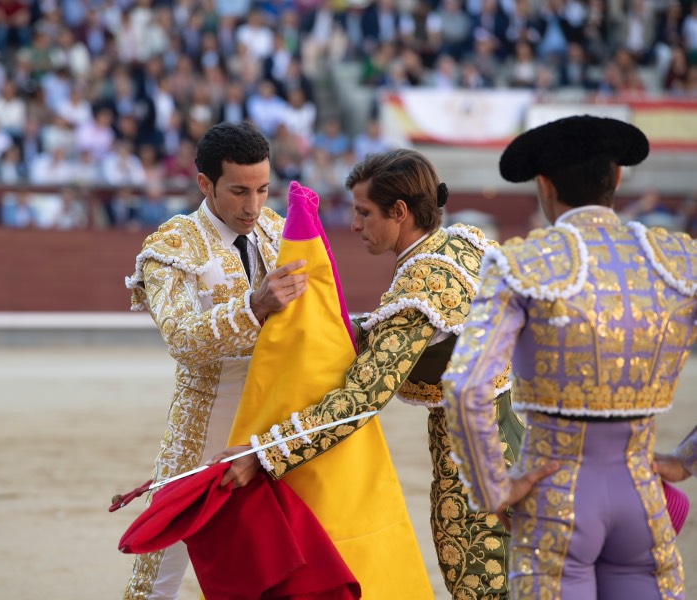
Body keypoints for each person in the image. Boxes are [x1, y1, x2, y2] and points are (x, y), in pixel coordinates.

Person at [214, 149, 526, 599]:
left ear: (399, 212)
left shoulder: (422, 286)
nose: (356, 225)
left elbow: (361, 399)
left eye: (364, 213)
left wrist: (265, 452)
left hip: (474, 475)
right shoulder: (465, 241)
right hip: (514, 442)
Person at [442, 115, 695, 599]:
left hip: (553, 496)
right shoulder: (679, 260)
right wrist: (686, 458)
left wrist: (493, 489)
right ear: (617, 178)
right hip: (641, 490)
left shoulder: (521, 263)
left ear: (544, 185)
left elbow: (466, 385)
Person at [122, 121, 308, 599]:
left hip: (273, 422)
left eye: (263, 189)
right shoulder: (173, 246)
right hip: (204, 423)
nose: (253, 206)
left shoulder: (276, 230)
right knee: (158, 574)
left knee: (282, 560)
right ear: (205, 183)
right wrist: (255, 307)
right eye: (239, 191)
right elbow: (182, 339)